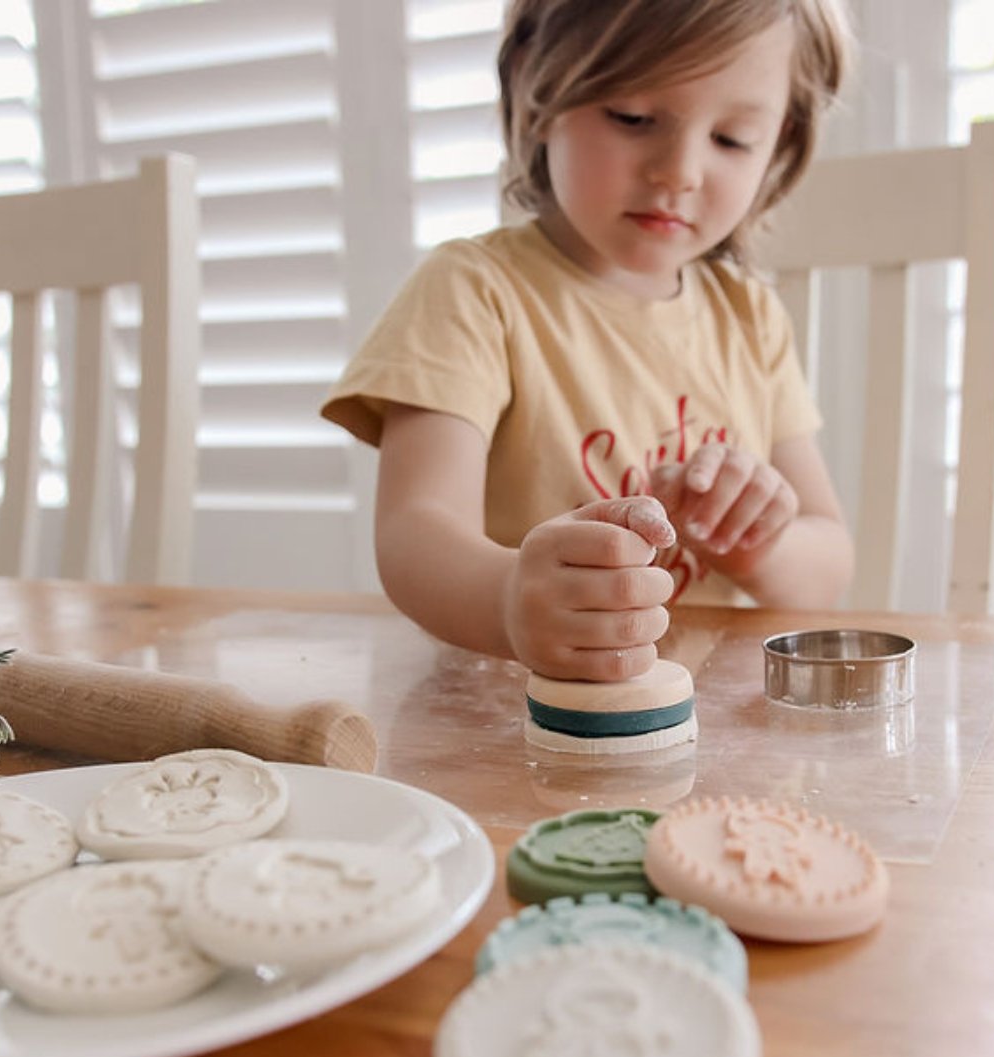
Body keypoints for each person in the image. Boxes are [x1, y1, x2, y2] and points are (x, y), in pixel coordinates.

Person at [323, 0, 855, 682]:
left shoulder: (750, 319)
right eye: (632, 117)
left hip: (697, 737)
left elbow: (826, 562)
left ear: (779, 143)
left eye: (732, 139)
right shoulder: (476, 291)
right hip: (505, 726)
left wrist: (755, 542)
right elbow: (414, 532)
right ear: (537, 89)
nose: (680, 171)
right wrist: (510, 600)